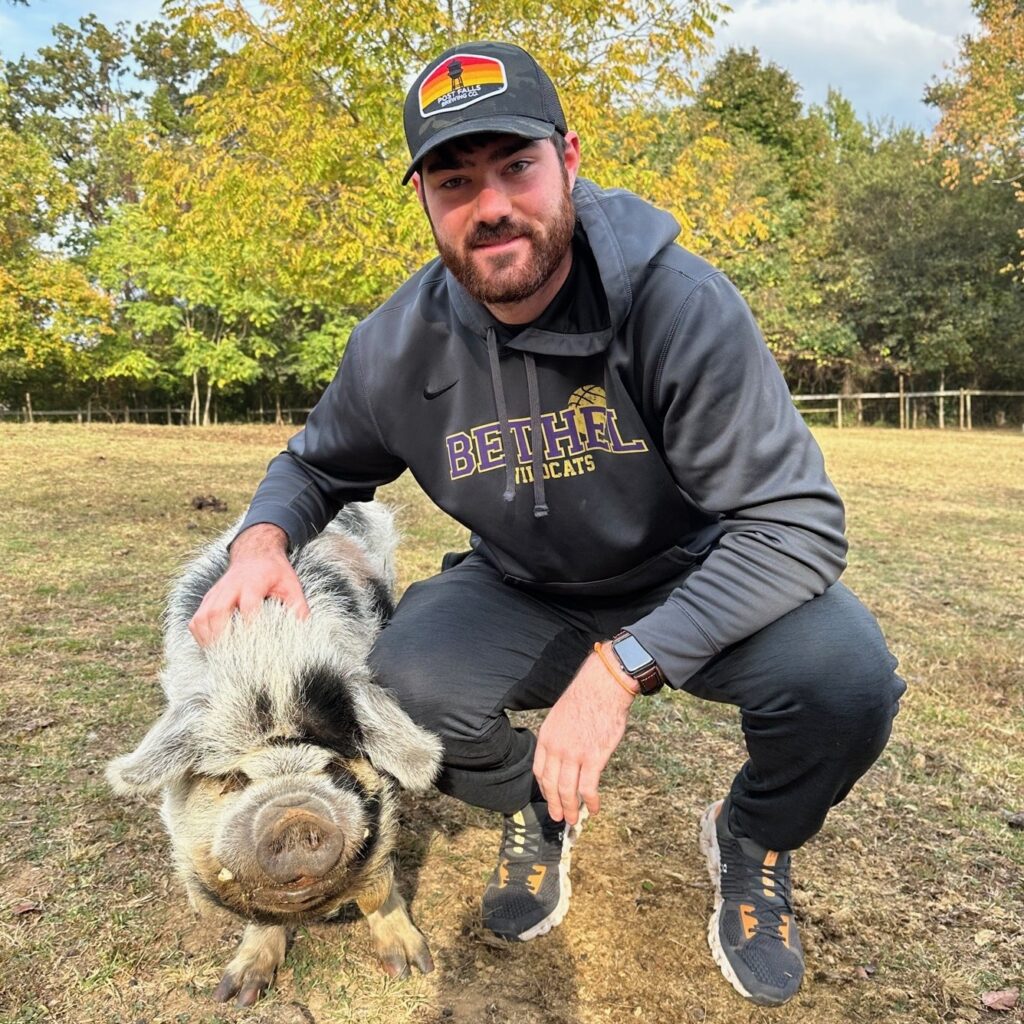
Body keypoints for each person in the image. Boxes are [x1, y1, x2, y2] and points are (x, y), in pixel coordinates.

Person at [189, 41, 905, 1007]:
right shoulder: (397, 344)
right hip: (521, 582)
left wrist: (621, 669)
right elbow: (315, 465)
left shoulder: (677, 305)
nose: (490, 206)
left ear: (567, 159)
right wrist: (262, 540)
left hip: (694, 571)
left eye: (515, 167)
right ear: (426, 202)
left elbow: (796, 527)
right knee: (404, 694)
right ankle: (540, 803)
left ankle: (755, 835)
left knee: (848, 681)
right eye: (455, 181)